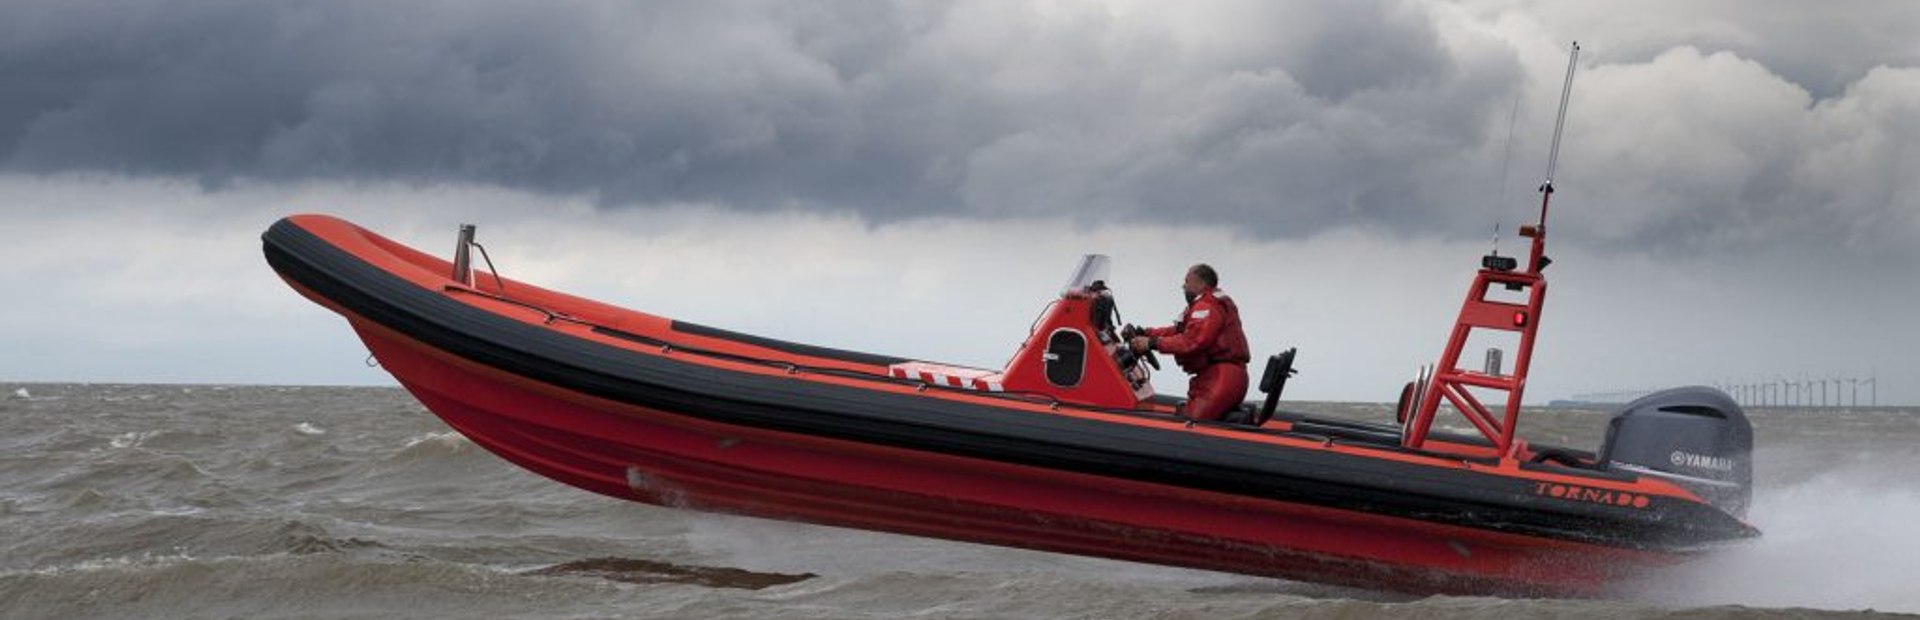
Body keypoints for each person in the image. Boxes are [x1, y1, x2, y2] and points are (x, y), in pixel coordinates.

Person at [1128, 264, 1251, 421]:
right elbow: (1181, 332)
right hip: (1219, 376)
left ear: (1201, 284)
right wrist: (1147, 333)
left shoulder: (1206, 307)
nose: (1183, 286)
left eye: (1187, 281)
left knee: (1194, 424)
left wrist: (1152, 343)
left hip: (1221, 377)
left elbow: (1193, 341)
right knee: (1189, 418)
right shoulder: (1210, 303)